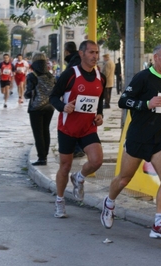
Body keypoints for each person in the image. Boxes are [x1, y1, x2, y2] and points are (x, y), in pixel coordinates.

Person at [100, 43, 161, 239]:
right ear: (156, 57)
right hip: (138, 137)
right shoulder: (143, 77)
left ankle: (159, 224)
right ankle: (109, 203)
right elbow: (123, 101)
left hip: (160, 139)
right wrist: (146, 104)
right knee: (124, 179)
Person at [49, 40, 106, 218]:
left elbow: (99, 101)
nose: (94, 56)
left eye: (96, 53)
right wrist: (63, 106)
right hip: (68, 128)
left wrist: (99, 115)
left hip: (88, 128)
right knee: (65, 166)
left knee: (97, 161)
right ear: (81, 54)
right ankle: (59, 200)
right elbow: (53, 96)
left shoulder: (100, 77)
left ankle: (79, 177)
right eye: (91, 52)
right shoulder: (70, 74)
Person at [24, 53, 55, 166]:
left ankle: (41, 158)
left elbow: (28, 94)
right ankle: (45, 155)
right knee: (45, 130)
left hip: (36, 108)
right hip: (50, 107)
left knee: (38, 133)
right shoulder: (51, 76)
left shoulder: (32, 76)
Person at [63, 41, 85, 158]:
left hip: (75, 95)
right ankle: (79, 147)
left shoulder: (73, 61)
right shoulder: (79, 59)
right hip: (82, 94)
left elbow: (68, 78)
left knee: (74, 122)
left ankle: (77, 148)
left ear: (66, 51)